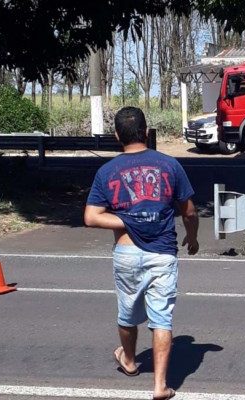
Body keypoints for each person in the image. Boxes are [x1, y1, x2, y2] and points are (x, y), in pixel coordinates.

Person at [84, 106, 199, 400]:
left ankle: (131, 361)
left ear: (116, 135)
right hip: (163, 252)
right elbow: (189, 211)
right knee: (161, 319)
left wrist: (125, 220)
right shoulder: (170, 165)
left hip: (127, 252)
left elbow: (92, 216)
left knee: (127, 313)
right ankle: (160, 385)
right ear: (147, 132)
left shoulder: (107, 171)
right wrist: (193, 239)